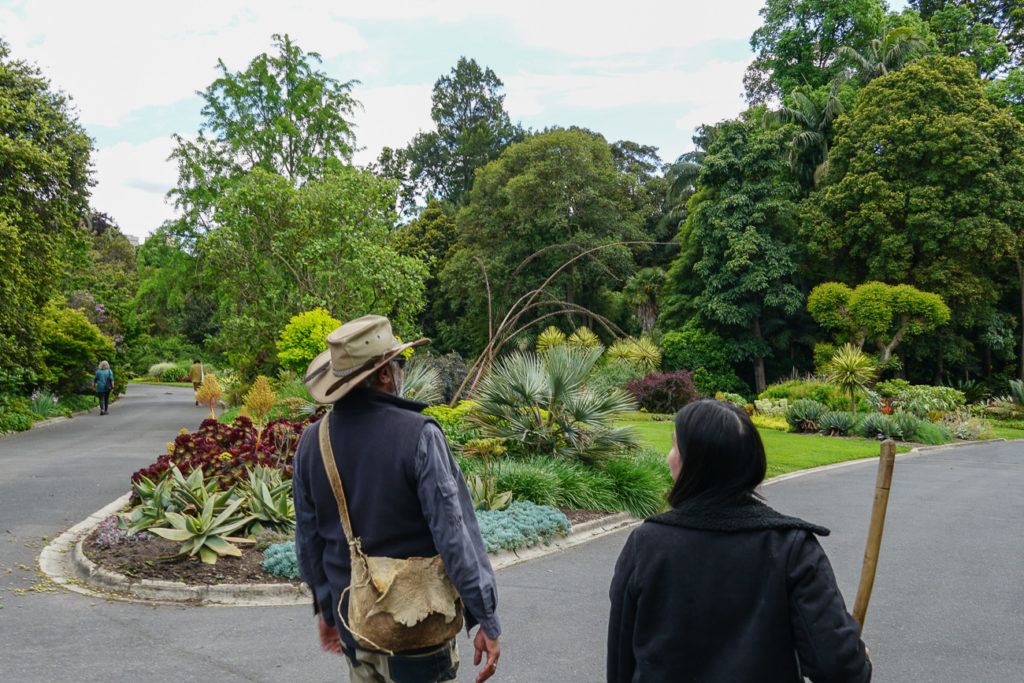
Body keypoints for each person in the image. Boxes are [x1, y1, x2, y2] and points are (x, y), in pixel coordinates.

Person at [292, 315, 501, 683]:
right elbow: (455, 537)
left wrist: (326, 611)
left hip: (354, 625)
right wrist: (485, 617)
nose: (403, 371)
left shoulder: (312, 441)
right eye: (399, 363)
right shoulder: (420, 434)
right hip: (416, 634)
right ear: (386, 374)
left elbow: (309, 544)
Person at [608, 399, 872, 682]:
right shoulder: (791, 548)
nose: (670, 455)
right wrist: (857, 657)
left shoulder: (646, 545)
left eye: (675, 446)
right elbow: (838, 667)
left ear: (694, 463)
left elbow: (621, 661)